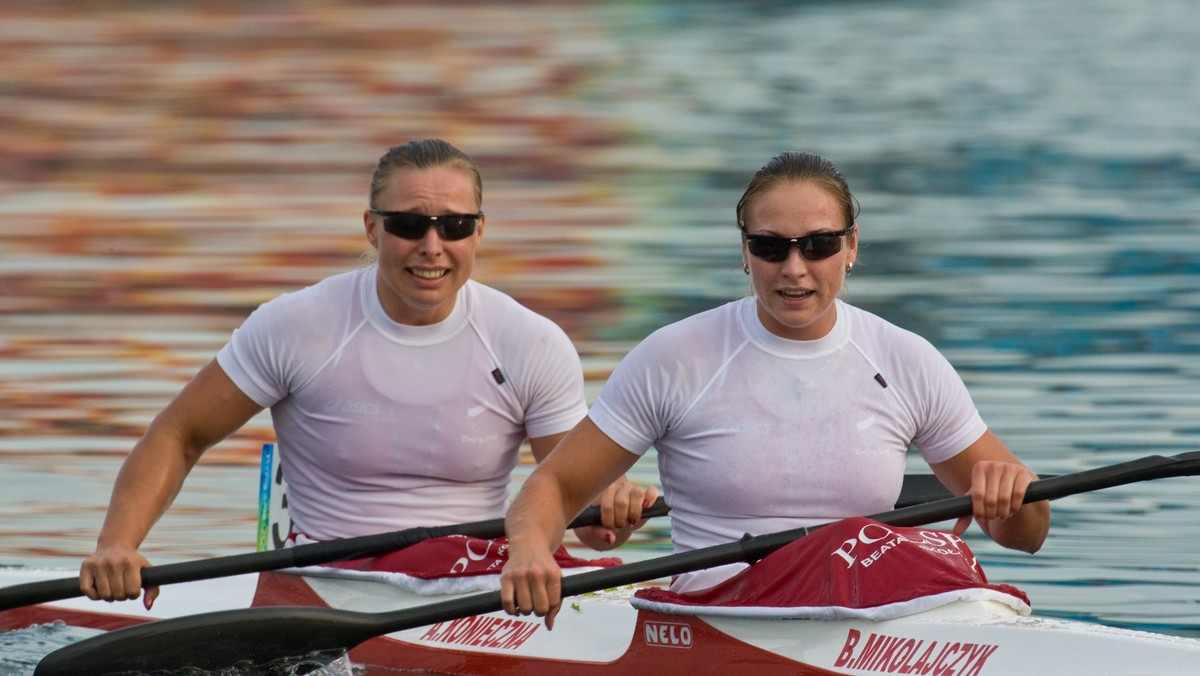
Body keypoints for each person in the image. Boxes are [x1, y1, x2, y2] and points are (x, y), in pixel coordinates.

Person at [80, 139, 655, 609]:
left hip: (480, 575)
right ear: (371, 228)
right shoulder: (299, 326)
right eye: (409, 224)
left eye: (453, 226)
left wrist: (611, 516)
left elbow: (570, 501)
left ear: (479, 231)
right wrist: (118, 547)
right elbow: (180, 433)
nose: (432, 247)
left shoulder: (530, 341)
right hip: (329, 575)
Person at [500, 150, 1051, 628]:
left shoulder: (907, 361)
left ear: (851, 246)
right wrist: (528, 550)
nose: (794, 269)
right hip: (717, 623)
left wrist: (1013, 495)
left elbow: (1026, 535)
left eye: (818, 245)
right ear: (744, 251)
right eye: (771, 247)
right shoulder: (675, 358)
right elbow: (555, 485)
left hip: (869, 623)